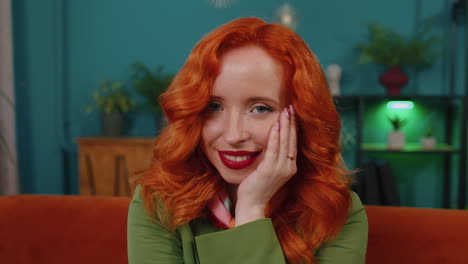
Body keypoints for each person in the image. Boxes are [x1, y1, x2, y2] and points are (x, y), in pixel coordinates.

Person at [127, 17, 368, 264]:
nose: (233, 135)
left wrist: (251, 208)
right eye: (214, 106)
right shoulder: (158, 202)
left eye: (260, 108)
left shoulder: (338, 211)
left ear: (302, 117)